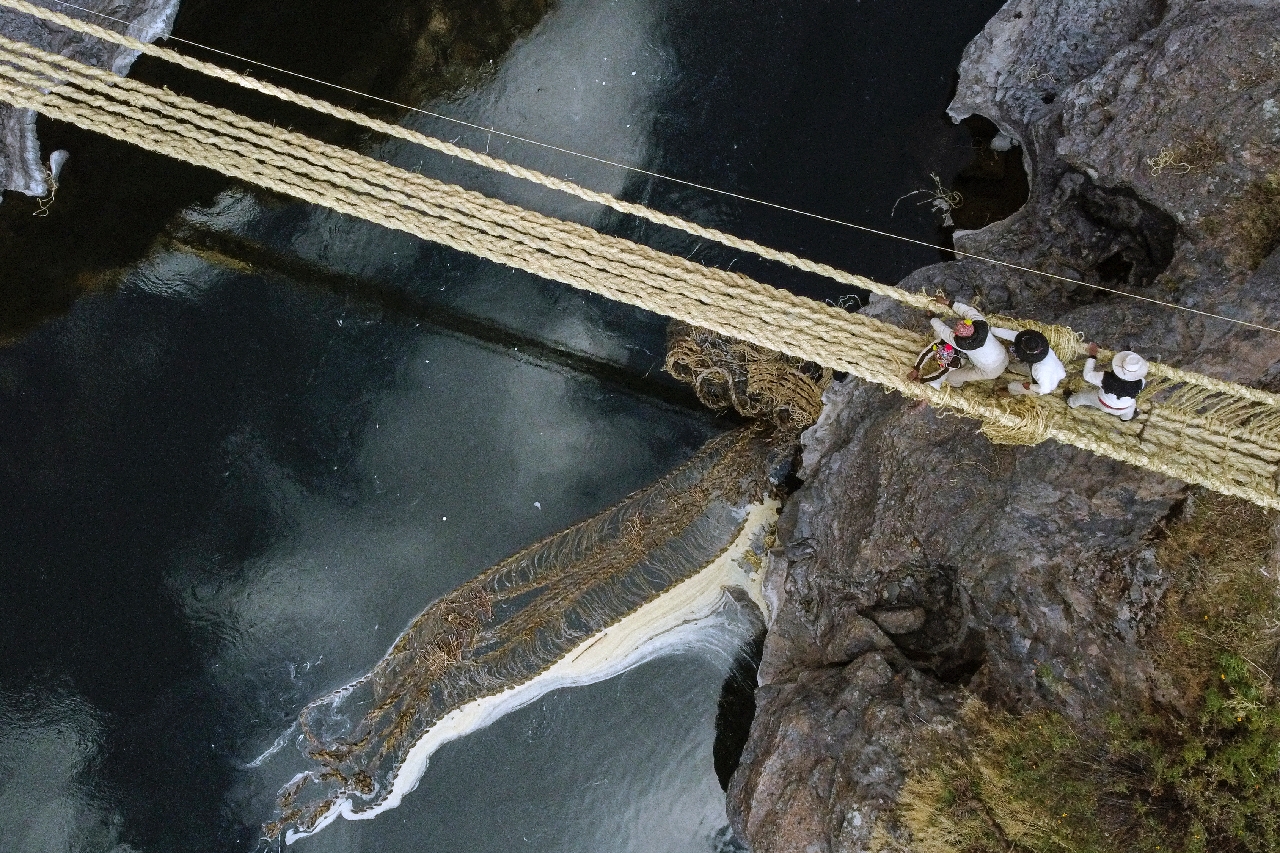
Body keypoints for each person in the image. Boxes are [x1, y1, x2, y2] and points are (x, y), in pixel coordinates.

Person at [926, 297, 1012, 388]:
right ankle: (969, 362)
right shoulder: (982, 325)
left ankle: (957, 386)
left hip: (990, 371)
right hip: (1003, 355)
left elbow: (942, 330)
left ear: (959, 335)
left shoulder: (961, 344)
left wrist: (932, 318)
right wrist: (947, 302)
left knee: (952, 377)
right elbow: (968, 311)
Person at [1068, 344, 1148, 421]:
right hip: (1124, 408)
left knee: (1083, 396)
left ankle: (1071, 403)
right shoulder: (1141, 382)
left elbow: (1087, 375)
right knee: (1131, 406)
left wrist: (1092, 356)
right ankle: (1125, 418)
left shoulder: (1105, 378)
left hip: (1103, 404)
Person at [991, 328, 1066, 396]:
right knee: (1012, 367)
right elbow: (1012, 335)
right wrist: (992, 329)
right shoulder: (1039, 345)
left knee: (1014, 386)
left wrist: (1030, 386)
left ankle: (1009, 391)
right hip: (1058, 369)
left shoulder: (1039, 370)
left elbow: (1045, 389)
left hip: (1047, 384)